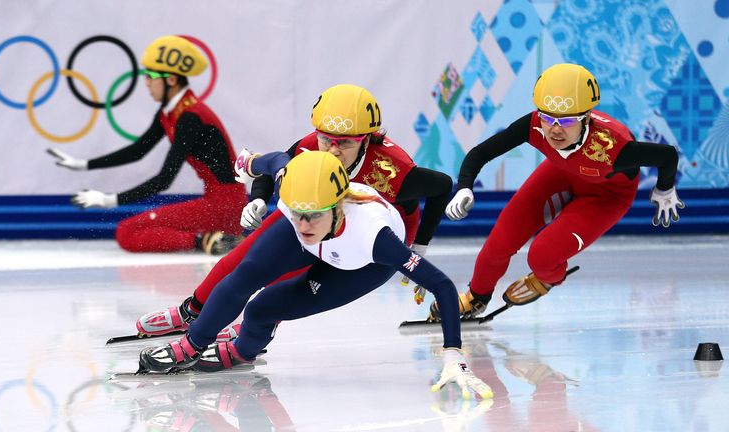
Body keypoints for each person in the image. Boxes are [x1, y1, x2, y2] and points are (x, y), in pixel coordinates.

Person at [137, 150, 493, 400]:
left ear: (338, 205)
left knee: (263, 308)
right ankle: (190, 345)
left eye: (314, 215)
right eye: (298, 213)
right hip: (327, 238)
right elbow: (275, 161)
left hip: (360, 265)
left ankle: (242, 351)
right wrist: (248, 163)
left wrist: (452, 353)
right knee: (246, 274)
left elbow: (443, 286)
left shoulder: (375, 238)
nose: (305, 224)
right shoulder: (298, 202)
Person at [135, 84, 452, 335]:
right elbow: (272, 170)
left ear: (368, 140)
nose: (333, 149)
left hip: (369, 227)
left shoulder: (392, 169)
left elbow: (441, 187)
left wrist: (418, 245)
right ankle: (192, 310)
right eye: (326, 139)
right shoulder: (309, 146)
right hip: (317, 209)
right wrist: (258, 199)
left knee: (292, 277)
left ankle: (259, 325)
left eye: (345, 142)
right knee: (245, 256)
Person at [432, 63, 683, 319]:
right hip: (562, 174)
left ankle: (549, 278)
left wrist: (664, 189)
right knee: (501, 238)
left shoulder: (613, 148)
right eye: (548, 117)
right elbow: (481, 153)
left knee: (542, 256)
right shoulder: (534, 125)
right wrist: (464, 187)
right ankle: (477, 297)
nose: (555, 129)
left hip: (606, 196)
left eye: (567, 120)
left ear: (586, 117)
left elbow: (667, 156)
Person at [46, 35, 246, 254]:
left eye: (151, 76)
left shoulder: (191, 116)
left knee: (126, 232)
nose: (147, 82)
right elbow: (138, 150)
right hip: (222, 203)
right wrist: (83, 164)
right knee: (130, 231)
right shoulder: (170, 112)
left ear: (171, 79)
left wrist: (108, 200)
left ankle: (207, 241)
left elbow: (164, 180)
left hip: (224, 206)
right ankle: (211, 238)